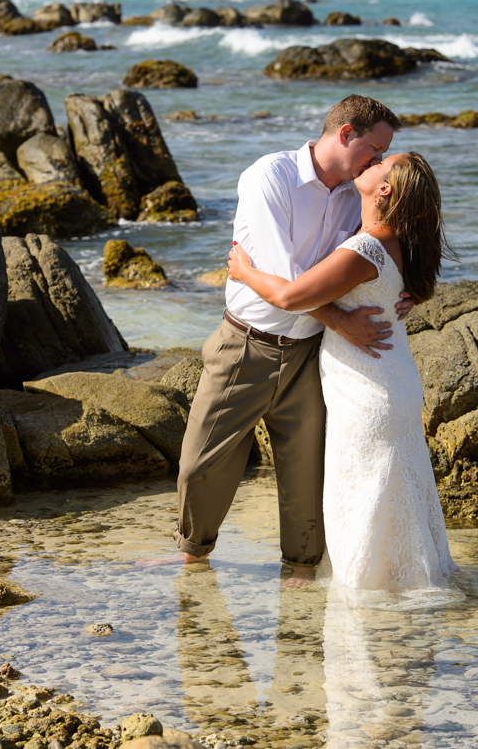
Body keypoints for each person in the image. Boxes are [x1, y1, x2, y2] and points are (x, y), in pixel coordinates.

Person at [175, 95, 413, 586]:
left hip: (311, 353)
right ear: (345, 133)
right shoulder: (271, 176)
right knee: (201, 464)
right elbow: (287, 281)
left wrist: (408, 290)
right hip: (245, 344)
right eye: (374, 149)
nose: (377, 162)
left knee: (306, 478)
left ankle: (300, 577)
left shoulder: (358, 195)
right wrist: (343, 321)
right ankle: (193, 563)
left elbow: (382, 251)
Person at [228, 151, 457, 593]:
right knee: (392, 497)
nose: (368, 162)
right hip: (390, 380)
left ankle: (369, 596)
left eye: (379, 162)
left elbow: (293, 296)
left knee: (363, 498)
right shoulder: (397, 242)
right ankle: (401, 586)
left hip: (370, 389)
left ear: (384, 188)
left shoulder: (366, 247)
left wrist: (246, 271)